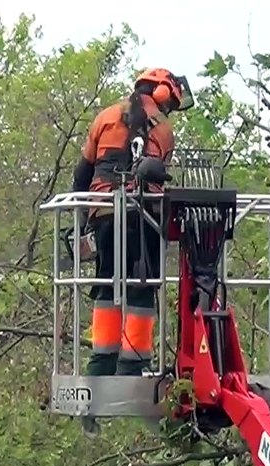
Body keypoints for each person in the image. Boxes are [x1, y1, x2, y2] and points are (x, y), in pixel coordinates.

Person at [71, 67, 193, 378]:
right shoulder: (164, 131)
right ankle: (133, 365)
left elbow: (82, 174)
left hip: (105, 215)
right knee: (142, 289)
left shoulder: (105, 117)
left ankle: (100, 365)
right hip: (146, 218)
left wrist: (84, 218)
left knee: (108, 285)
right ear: (162, 95)